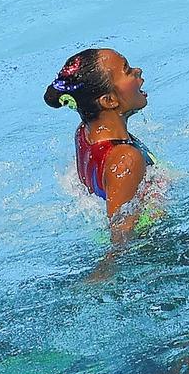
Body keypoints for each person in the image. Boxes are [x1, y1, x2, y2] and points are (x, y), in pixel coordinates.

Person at [43, 48, 157, 245]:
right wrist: (105, 272)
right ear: (109, 100)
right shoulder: (125, 160)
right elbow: (121, 237)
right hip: (153, 245)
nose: (138, 71)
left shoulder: (84, 133)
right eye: (128, 70)